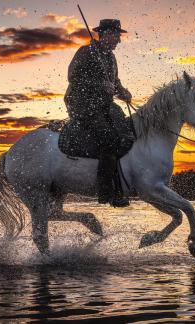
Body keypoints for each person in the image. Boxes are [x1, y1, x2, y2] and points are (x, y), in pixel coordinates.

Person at [64, 19, 132, 207]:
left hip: (104, 105)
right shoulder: (86, 52)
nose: (119, 40)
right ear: (106, 34)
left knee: (126, 130)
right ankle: (106, 192)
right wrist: (99, 84)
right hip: (82, 104)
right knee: (109, 137)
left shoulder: (111, 58)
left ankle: (122, 181)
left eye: (119, 36)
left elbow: (114, 82)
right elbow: (73, 77)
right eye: (117, 36)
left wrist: (123, 92)